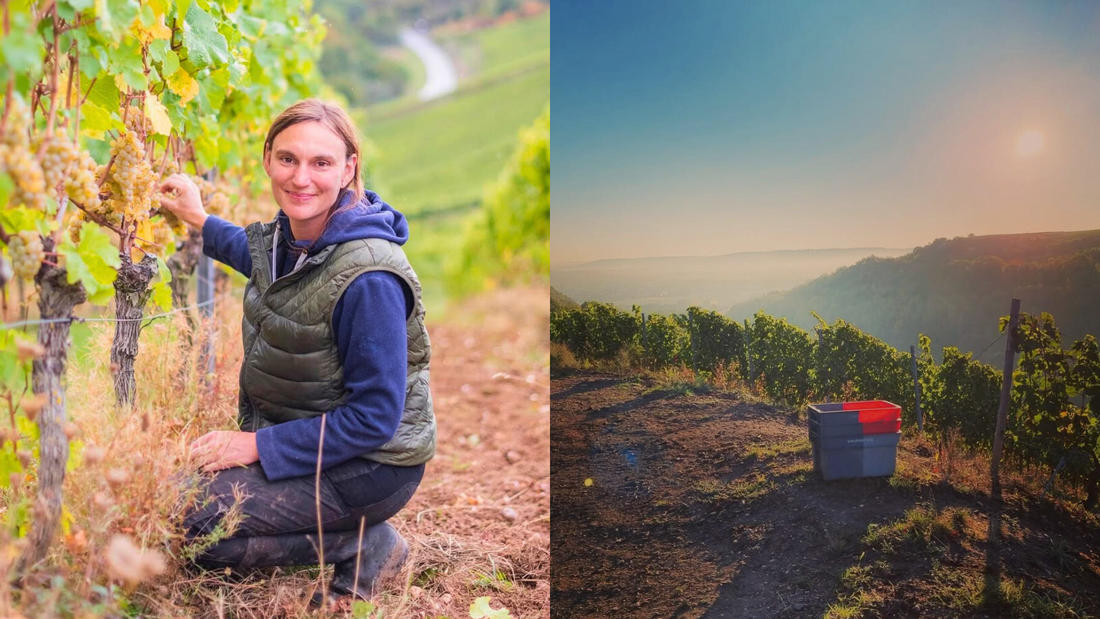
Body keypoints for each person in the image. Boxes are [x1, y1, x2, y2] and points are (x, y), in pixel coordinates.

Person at [157, 99, 435, 603]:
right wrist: (197, 217)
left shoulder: (370, 277)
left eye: (321, 163)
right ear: (267, 159)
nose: (301, 177)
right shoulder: (294, 241)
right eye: (288, 159)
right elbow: (258, 259)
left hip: (372, 465)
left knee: (190, 525)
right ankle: (348, 537)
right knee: (167, 506)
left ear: (349, 168)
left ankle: (367, 544)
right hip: (317, 445)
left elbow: (375, 418)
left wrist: (256, 446)